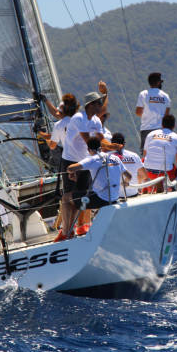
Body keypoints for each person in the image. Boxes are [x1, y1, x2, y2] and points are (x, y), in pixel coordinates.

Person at [57, 138, 131, 240]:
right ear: (101, 148)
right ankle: (70, 231)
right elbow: (129, 176)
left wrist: (72, 173)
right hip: (114, 197)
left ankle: (65, 233)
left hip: (101, 199)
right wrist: (125, 182)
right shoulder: (114, 158)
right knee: (73, 200)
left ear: (88, 149)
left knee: (66, 198)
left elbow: (70, 168)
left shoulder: (92, 159)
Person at [59, 87, 106, 235]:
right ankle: (67, 231)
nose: (101, 105)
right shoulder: (79, 118)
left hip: (85, 162)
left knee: (80, 196)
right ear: (91, 105)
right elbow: (88, 140)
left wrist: (115, 147)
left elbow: (101, 140)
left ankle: (79, 227)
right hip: (71, 161)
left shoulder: (97, 120)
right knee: (69, 197)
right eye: (99, 102)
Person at [142, 114, 177, 193]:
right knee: (173, 168)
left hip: (147, 172)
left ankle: (144, 189)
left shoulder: (151, 134)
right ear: (174, 125)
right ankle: (169, 189)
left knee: (142, 161)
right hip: (165, 174)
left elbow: (145, 154)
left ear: (162, 124)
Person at [135, 72, 171, 154]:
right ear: (158, 82)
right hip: (161, 130)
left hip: (146, 129)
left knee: (145, 156)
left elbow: (138, 112)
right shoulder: (165, 96)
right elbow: (167, 116)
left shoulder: (143, 94)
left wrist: (147, 116)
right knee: (161, 155)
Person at [109, 132, 149, 198]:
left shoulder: (107, 157)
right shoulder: (134, 155)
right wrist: (137, 185)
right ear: (124, 144)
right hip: (133, 193)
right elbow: (144, 175)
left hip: (114, 197)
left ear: (111, 144)